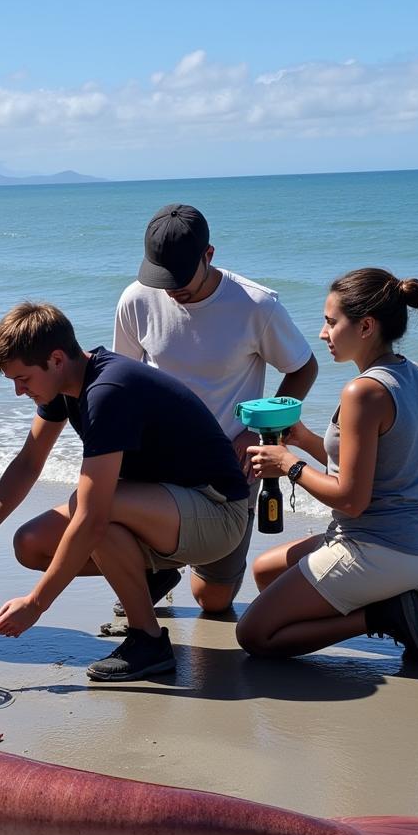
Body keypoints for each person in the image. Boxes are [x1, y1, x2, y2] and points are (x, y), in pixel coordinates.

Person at [0, 302, 250, 681]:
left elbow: (91, 516)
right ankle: (145, 576)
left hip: (218, 514)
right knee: (30, 542)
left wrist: (36, 604)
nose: (17, 391)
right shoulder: (64, 383)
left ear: (56, 359)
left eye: (23, 379)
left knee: (90, 511)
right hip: (165, 507)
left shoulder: (107, 392)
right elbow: (28, 463)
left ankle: (148, 640)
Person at [235, 268, 418, 663]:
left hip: (380, 550)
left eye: (331, 322)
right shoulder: (410, 373)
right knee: (267, 572)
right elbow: (370, 466)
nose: (322, 333)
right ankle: (399, 603)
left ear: (366, 326)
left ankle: (385, 615)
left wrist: (289, 465)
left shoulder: (362, 392)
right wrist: (301, 439)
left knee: (253, 635)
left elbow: (351, 500)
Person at [113, 204, 318, 614]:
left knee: (212, 601)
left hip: (229, 462)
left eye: (180, 277)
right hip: (159, 460)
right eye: (162, 277)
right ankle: (159, 568)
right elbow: (123, 380)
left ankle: (182, 567)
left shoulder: (257, 306)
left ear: (209, 255)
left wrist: (260, 432)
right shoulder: (136, 299)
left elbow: (303, 368)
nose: (171, 289)